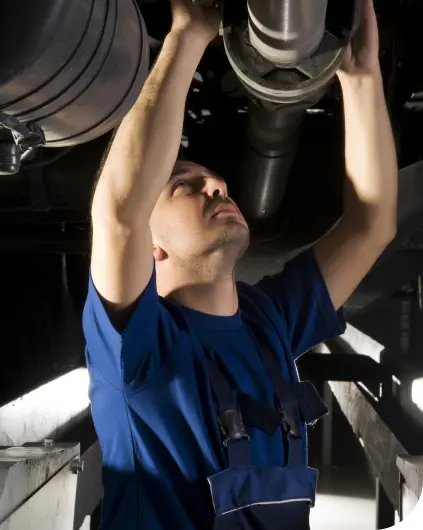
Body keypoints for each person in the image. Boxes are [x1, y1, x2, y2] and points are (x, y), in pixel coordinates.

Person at [82, 0, 397, 528]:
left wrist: (362, 80)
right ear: (149, 245)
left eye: (215, 181)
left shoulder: (267, 322)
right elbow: (117, 212)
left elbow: (372, 223)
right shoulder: (136, 349)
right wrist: (189, 32)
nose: (218, 184)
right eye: (185, 185)